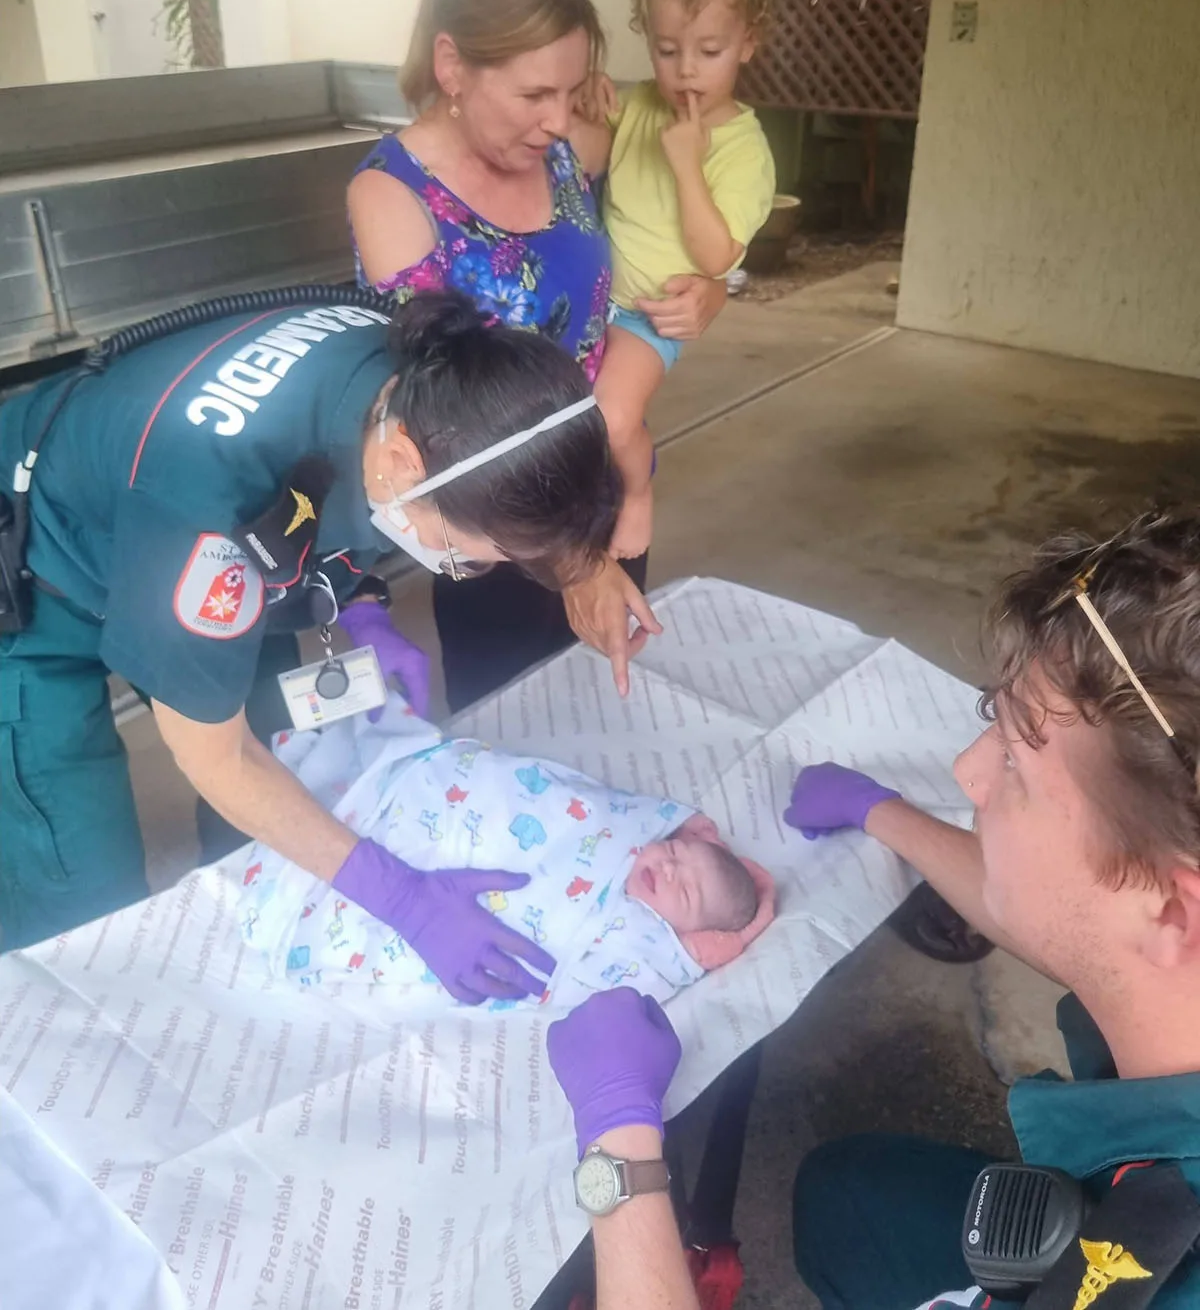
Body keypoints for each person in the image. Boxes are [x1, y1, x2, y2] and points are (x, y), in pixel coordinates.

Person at [546, 513, 1200, 1310]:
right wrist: (881, 813)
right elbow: (1081, 920)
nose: (967, 770)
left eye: (1019, 769)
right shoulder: (1166, 948)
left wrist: (619, 1152)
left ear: (1172, 913)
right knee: (846, 1196)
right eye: (994, 721)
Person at [0, 290, 618, 987]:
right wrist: (404, 902)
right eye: (468, 555)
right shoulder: (208, 514)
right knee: (81, 899)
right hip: (34, 577)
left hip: (152, 517)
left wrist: (360, 604)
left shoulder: (425, 382)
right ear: (405, 467)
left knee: (283, 785)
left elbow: (323, 502)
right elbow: (220, 759)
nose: (470, 570)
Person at [347, 0, 727, 711]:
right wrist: (577, 567)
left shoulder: (562, 152)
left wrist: (712, 288)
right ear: (452, 66)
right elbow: (447, 408)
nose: (558, 119)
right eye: (533, 95)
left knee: (605, 701)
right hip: (497, 527)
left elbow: (661, 234)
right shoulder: (393, 197)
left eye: (571, 90)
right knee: (514, 717)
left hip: (604, 484)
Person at [238, 704, 775, 1005]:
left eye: (683, 889)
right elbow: (587, 801)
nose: (667, 867)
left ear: (686, 937)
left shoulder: (634, 945)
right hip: (437, 799)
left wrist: (725, 941)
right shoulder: (631, 832)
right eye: (677, 852)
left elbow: (637, 989)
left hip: (445, 886)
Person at [579, 0, 777, 558]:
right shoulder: (640, 105)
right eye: (667, 50)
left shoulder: (744, 149)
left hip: (648, 317)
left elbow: (717, 257)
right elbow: (583, 152)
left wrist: (689, 164)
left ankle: (637, 493)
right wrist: (583, 100)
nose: (686, 70)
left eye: (709, 50)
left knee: (611, 421)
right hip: (590, 298)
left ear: (749, 43)